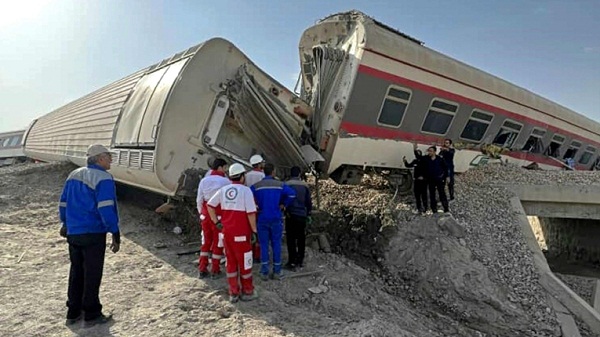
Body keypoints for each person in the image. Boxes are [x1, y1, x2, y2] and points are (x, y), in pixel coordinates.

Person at [59, 144, 120, 327]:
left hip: (74, 232)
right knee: (92, 273)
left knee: (76, 271)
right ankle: (92, 314)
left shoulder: (74, 175)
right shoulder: (103, 177)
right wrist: (115, 232)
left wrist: (65, 223)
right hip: (93, 232)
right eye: (108, 156)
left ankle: (73, 312)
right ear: (100, 158)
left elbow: (63, 202)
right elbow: (106, 207)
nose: (110, 160)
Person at [207, 163, 258, 303]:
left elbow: (210, 205)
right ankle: (247, 291)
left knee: (231, 263)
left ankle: (233, 292)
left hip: (227, 234)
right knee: (245, 263)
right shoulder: (246, 191)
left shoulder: (224, 190)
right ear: (242, 177)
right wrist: (254, 231)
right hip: (242, 235)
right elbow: (251, 214)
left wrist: (217, 223)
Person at [251, 163, 296, 280]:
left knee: (264, 245)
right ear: (273, 172)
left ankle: (264, 271)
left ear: (263, 171)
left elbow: (249, 196)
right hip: (276, 217)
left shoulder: (257, 186)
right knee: (276, 244)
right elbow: (292, 194)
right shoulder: (280, 185)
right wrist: (283, 205)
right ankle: (277, 271)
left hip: (262, 218)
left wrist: (256, 206)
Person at [196, 158, 231, 279]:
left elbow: (199, 200)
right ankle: (215, 269)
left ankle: (202, 268)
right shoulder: (226, 182)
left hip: (205, 215)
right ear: (221, 167)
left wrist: (202, 214)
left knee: (206, 242)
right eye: (225, 167)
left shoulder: (204, 181)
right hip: (219, 216)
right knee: (218, 243)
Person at [284, 166, 313, 270]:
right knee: (301, 239)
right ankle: (300, 260)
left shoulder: (286, 185)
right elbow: (308, 202)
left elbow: (283, 199)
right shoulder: (305, 185)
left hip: (290, 215)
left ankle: (291, 261)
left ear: (290, 174)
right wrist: (309, 213)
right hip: (302, 215)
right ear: (299, 174)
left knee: (291, 239)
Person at [245, 154, 265, 262]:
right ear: (259, 164)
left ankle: (250, 252)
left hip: (249, 205)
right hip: (260, 205)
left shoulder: (247, 175)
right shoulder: (262, 176)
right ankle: (258, 255)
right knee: (259, 231)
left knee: (250, 230)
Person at [403, 143, 428, 214]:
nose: (417, 154)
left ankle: (425, 208)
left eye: (418, 153)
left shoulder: (424, 161)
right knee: (417, 195)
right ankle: (419, 208)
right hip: (416, 181)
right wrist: (405, 161)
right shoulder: (415, 161)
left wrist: (414, 148)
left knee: (424, 195)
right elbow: (408, 165)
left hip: (423, 181)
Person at [425, 146, 449, 213]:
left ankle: (446, 208)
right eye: (429, 151)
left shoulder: (440, 159)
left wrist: (445, 176)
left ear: (435, 152)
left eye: (431, 151)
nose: (429, 152)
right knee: (432, 194)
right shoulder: (427, 159)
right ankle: (434, 209)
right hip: (430, 179)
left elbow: (445, 168)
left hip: (439, 179)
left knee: (442, 193)